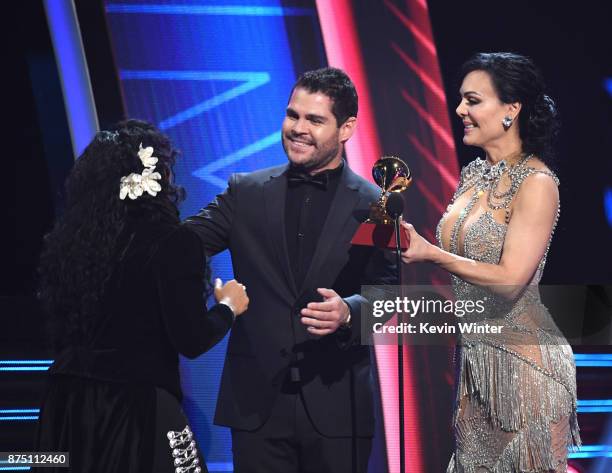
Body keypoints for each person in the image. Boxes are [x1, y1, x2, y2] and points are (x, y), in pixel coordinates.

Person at [185, 67, 396, 473]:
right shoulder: (244, 192)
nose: (297, 128)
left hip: (338, 406)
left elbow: (388, 289)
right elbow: (184, 245)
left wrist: (350, 310)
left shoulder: (375, 204)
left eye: (314, 120)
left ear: (347, 128)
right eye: (292, 115)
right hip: (256, 406)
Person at [400, 52, 581, 472]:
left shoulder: (538, 183)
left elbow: (509, 280)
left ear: (511, 109)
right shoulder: (474, 175)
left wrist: (431, 253)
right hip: (474, 366)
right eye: (462, 100)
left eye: (473, 100)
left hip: (525, 369)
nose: (460, 110)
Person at [35, 119, 249, 473]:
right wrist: (228, 306)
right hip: (135, 409)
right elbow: (191, 339)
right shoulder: (172, 241)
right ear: (159, 175)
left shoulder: (70, 242)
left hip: (66, 405)